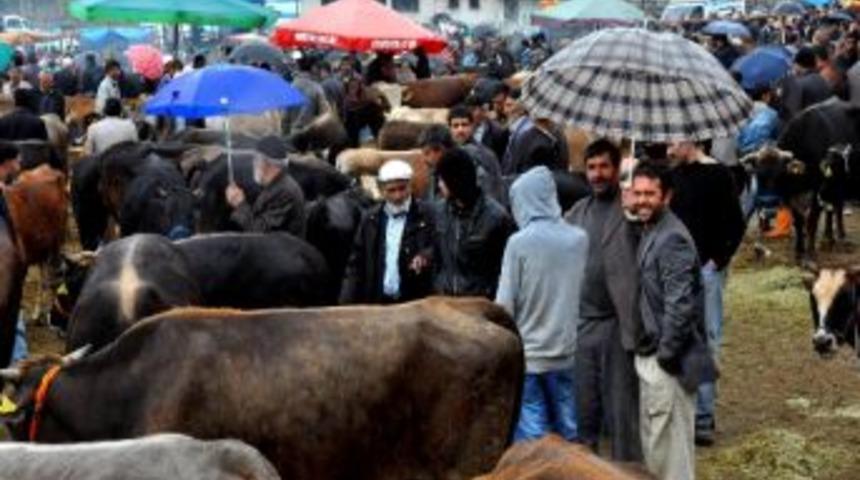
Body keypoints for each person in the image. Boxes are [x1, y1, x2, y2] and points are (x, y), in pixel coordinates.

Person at [630, 161, 715, 480]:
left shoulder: (673, 239)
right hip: (655, 358)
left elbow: (680, 307)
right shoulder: (651, 229)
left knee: (671, 462)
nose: (642, 200)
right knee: (657, 453)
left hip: (669, 365)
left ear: (667, 196)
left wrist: (664, 358)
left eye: (650, 194)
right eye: (637, 193)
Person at [496, 165, 588, 442]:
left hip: (530, 357)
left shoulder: (518, 243)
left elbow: (504, 305)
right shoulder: (579, 239)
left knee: (533, 437)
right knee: (568, 431)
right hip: (568, 352)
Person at [565, 139, 643, 462]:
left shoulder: (630, 210)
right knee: (584, 414)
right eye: (592, 167)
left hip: (617, 327)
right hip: (582, 326)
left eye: (604, 167)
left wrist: (636, 212)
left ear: (617, 169)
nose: (597, 174)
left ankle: (628, 472)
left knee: (622, 416)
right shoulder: (576, 213)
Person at [667, 140, 745, 447]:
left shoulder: (719, 175)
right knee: (676, 335)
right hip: (676, 271)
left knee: (708, 337)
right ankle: (683, 411)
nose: (670, 145)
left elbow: (735, 224)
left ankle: (703, 416)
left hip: (706, 271)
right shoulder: (674, 176)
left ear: (693, 138)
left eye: (675, 139)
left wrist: (716, 262)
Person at [339, 160, 435, 305]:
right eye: (391, 190)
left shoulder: (428, 215)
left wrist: (426, 256)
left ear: (410, 186)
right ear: (382, 190)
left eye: (402, 188)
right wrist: (346, 301)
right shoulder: (370, 219)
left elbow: (440, 247)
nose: (398, 196)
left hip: (414, 303)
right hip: (379, 301)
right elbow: (356, 263)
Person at [433, 147, 514, 299]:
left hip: (478, 303)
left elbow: (502, 269)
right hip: (445, 302)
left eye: (443, 179)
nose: (439, 185)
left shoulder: (495, 217)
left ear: (455, 179)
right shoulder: (439, 212)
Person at [225, 136, 306, 236]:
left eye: (255, 159)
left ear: (265, 163)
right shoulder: (277, 185)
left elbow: (260, 234)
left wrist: (240, 205)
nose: (253, 164)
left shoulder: (285, 192)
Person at [447, 105, 506, 202]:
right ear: (450, 128)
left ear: (472, 126)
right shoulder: (446, 156)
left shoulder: (487, 155)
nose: (460, 130)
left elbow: (495, 189)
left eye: (464, 125)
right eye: (455, 126)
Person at [780, 46, 833, 121]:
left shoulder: (798, 84)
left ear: (798, 64)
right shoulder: (822, 80)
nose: (793, 67)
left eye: (794, 64)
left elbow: (788, 114)